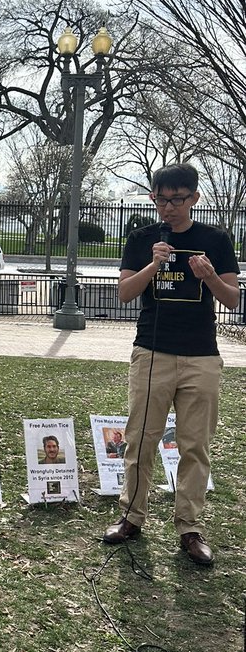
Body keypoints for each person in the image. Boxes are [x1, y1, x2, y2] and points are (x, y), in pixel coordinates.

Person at [103, 164, 240, 566]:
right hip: (152, 353)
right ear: (153, 200)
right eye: (161, 200)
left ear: (194, 198)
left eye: (177, 199)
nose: (169, 208)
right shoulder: (142, 239)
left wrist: (211, 275)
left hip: (201, 356)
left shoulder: (215, 240)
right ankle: (131, 516)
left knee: (195, 445)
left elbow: (232, 299)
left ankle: (190, 528)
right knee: (140, 439)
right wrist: (153, 265)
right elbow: (125, 293)